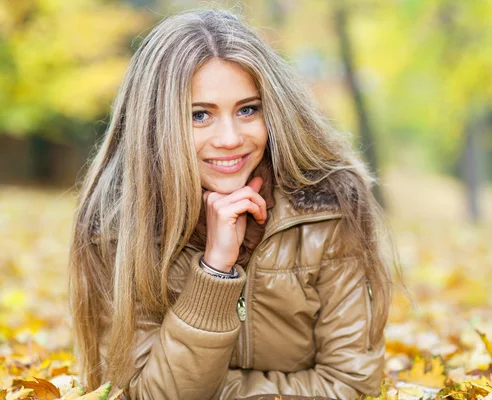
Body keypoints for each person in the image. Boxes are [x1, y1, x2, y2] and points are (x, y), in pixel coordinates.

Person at [69, 9, 392, 400]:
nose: (229, 138)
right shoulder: (117, 225)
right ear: (156, 123)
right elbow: (141, 394)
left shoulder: (327, 208)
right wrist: (215, 270)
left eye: (247, 110)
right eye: (200, 115)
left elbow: (351, 386)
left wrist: (215, 393)